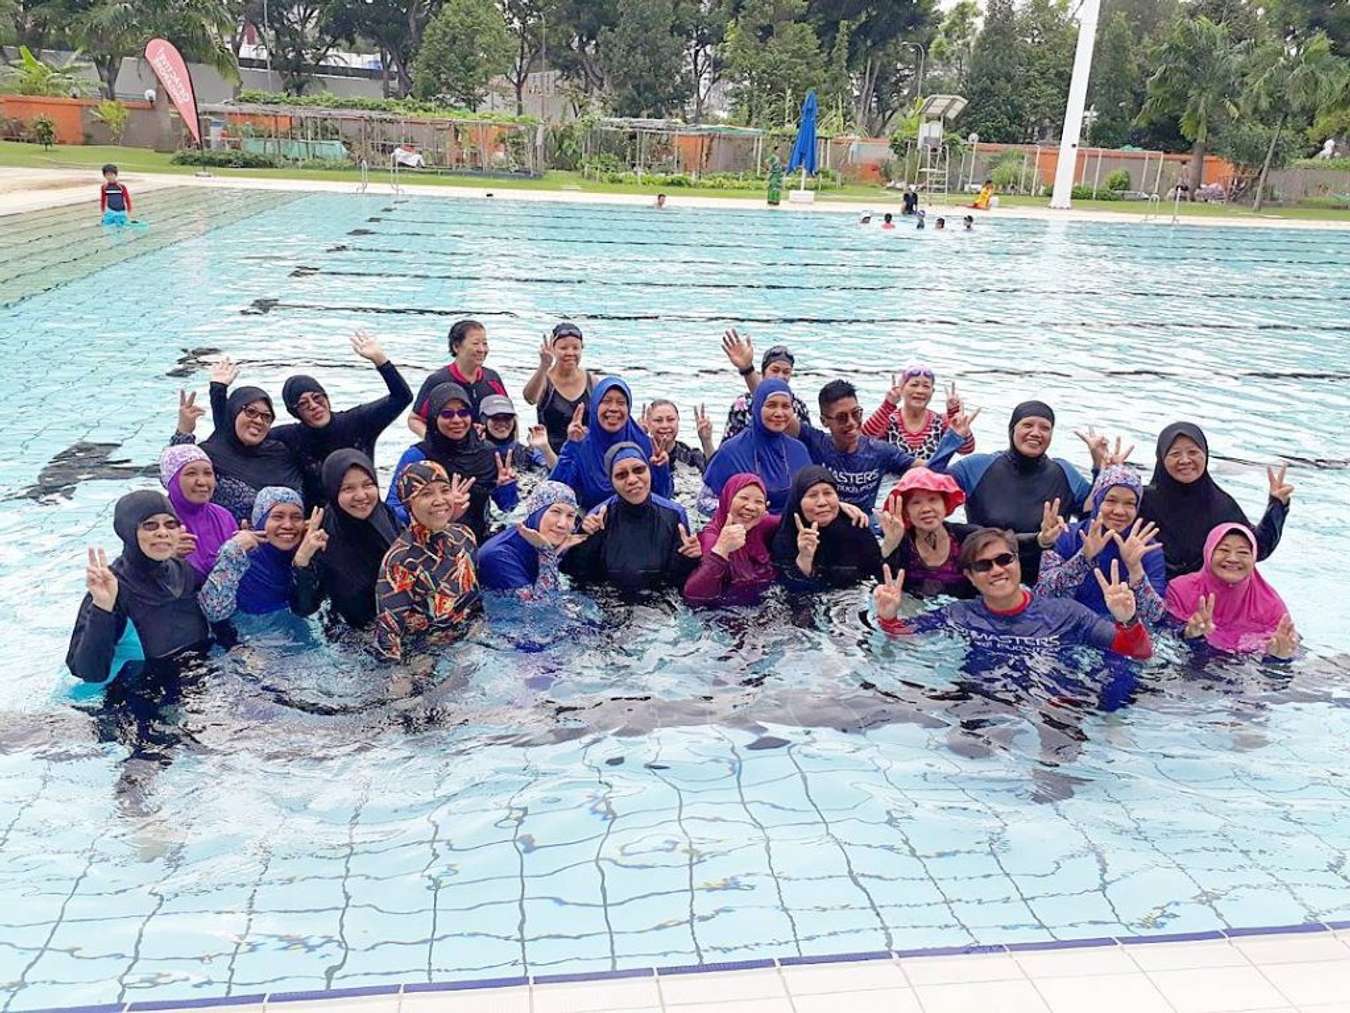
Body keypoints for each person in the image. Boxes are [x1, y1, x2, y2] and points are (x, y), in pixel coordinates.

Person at [873, 527, 1153, 660]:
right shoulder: (959, 615)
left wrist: (1127, 620)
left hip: (1052, 702)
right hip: (981, 698)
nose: (996, 570)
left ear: (1018, 562)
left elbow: (1137, 652)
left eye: (1005, 559)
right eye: (983, 565)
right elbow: (902, 634)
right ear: (969, 576)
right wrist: (888, 616)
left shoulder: (1065, 613)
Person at [66, 491, 215, 683]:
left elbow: (215, 624)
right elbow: (88, 672)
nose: (163, 532)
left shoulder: (184, 571)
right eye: (150, 525)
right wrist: (102, 608)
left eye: (171, 524)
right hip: (136, 693)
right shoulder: (112, 588)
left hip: (196, 676)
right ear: (127, 530)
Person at [947, 401, 1096, 585]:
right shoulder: (977, 467)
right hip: (988, 576)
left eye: (1045, 428)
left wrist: (1101, 470)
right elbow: (922, 491)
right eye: (1027, 425)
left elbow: (1096, 520)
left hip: (1042, 583)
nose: (1036, 432)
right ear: (1012, 429)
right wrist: (951, 442)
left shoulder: (1064, 473)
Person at [260, 332, 412, 505]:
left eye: (318, 398)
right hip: (320, 520)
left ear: (327, 398)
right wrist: (221, 390)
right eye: (303, 404)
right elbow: (243, 438)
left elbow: (402, 397)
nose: (314, 406)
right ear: (295, 412)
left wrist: (380, 360)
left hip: (365, 509)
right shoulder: (290, 437)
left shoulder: (358, 422)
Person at [791, 379, 973, 515]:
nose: (852, 423)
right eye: (841, 418)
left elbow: (929, 471)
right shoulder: (816, 442)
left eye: (856, 414)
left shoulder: (879, 451)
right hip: (827, 518)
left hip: (864, 522)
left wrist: (953, 438)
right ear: (824, 421)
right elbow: (779, 416)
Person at [1138, 422, 1291, 579]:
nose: (1185, 460)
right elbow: (1113, 520)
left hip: (1202, 597)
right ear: (1161, 459)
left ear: (1205, 455)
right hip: (1147, 594)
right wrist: (1112, 473)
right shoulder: (1142, 501)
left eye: (1193, 452)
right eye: (1175, 454)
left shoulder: (1221, 506)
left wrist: (1277, 506)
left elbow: (1257, 548)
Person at [374, 461, 481, 662]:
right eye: (426, 494)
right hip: (422, 656)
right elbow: (388, 637)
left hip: (469, 641)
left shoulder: (465, 536)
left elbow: (475, 602)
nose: (439, 500)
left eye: (444, 490)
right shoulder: (401, 562)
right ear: (408, 503)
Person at [562, 443, 702, 594]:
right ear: (611, 482)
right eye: (621, 475)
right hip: (609, 599)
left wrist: (691, 558)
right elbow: (577, 577)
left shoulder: (674, 514)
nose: (632, 480)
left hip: (660, 599)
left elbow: (678, 581)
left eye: (639, 470)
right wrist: (585, 537)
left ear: (649, 471)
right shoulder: (598, 518)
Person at [1035, 465, 1167, 625]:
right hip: (1069, 625)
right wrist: (1083, 558)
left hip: (1120, 631)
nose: (1119, 511)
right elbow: (1043, 596)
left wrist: (1135, 570)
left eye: (1129, 503)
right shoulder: (1067, 535)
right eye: (1111, 500)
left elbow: (1155, 617)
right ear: (1097, 500)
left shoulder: (1147, 549)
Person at [388, 382, 518, 542]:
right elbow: (393, 511)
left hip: (478, 540)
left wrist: (506, 487)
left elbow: (507, 507)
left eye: (463, 413)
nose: (457, 420)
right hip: (429, 542)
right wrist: (442, 507)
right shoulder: (417, 456)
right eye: (447, 414)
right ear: (434, 417)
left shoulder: (487, 452)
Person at [171, 369, 304, 522]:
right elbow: (175, 479)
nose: (259, 420)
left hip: (292, 539)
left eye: (266, 416)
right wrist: (183, 430)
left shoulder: (280, 453)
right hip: (230, 539)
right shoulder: (211, 455)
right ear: (233, 413)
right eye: (251, 412)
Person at [292, 450, 399, 629]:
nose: (361, 495)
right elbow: (304, 608)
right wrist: (303, 560)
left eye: (367, 485)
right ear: (333, 491)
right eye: (348, 488)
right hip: (350, 638)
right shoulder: (321, 535)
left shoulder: (387, 516)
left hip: (398, 626)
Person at [1164, 523, 1298, 659]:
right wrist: (1190, 635)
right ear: (1208, 552)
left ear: (1254, 558)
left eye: (1243, 552)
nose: (1233, 559)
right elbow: (1165, 634)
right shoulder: (1181, 590)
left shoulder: (1271, 605)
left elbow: (1287, 645)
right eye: (1223, 550)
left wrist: (1277, 657)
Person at [549, 376, 672, 510]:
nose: (613, 408)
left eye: (620, 402)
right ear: (595, 406)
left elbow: (664, 498)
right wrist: (571, 447)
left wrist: (661, 469)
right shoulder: (581, 446)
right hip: (594, 523)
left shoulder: (645, 444)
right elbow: (554, 497)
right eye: (606, 401)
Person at [698, 379, 812, 516]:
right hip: (745, 531)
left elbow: (811, 497)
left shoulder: (799, 451)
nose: (779, 413)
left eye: (785, 406)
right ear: (757, 407)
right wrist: (743, 512)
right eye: (771, 405)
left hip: (789, 532)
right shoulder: (732, 451)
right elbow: (704, 501)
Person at [199, 487, 307, 622]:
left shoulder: (306, 555)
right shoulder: (240, 559)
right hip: (251, 637)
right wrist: (233, 553)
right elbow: (213, 613)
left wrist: (304, 561)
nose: (288, 525)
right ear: (260, 521)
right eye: (277, 517)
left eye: (296, 517)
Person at [771, 467, 884, 592]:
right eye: (812, 495)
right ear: (798, 502)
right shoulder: (786, 538)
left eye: (828, 493)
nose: (822, 502)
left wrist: (891, 542)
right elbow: (790, 591)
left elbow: (881, 571)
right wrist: (804, 559)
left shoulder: (854, 524)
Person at [878, 468, 979, 599]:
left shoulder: (969, 537)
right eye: (916, 502)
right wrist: (889, 544)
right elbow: (880, 586)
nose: (926, 509)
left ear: (945, 504)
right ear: (905, 511)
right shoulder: (900, 543)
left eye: (933, 500)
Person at [684, 474, 781, 605]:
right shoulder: (711, 539)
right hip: (724, 612)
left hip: (767, 602)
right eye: (743, 498)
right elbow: (693, 596)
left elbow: (793, 520)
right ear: (727, 500)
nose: (751, 507)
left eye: (759, 501)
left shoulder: (761, 524)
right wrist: (722, 550)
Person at [477, 481, 583, 597]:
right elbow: (541, 609)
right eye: (555, 512)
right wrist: (547, 554)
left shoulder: (550, 541)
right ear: (536, 512)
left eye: (570, 516)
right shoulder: (499, 555)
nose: (562, 524)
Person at [409, 319, 508, 431]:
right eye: (476, 343)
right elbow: (415, 419)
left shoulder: (492, 379)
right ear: (456, 347)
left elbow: (510, 418)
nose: (482, 349)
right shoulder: (438, 381)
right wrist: (434, 444)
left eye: (484, 343)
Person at [862, 365, 977, 460]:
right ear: (901, 389)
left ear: (932, 392)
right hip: (893, 483)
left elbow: (966, 450)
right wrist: (887, 405)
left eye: (926, 386)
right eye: (914, 385)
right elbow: (862, 441)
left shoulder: (941, 421)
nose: (920, 391)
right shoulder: (888, 419)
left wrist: (955, 416)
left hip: (930, 482)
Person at [158, 444, 238, 576]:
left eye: (208, 473)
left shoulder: (224, 517)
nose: (202, 482)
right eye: (191, 473)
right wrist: (165, 557)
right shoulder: (157, 524)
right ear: (172, 481)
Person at [719, 330, 812, 441]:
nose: (780, 376)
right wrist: (747, 368)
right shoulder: (742, 404)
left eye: (786, 372)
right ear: (763, 373)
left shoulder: (798, 406)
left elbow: (807, 444)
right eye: (775, 370)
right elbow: (727, 446)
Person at [523, 321, 599, 454]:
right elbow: (530, 399)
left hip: (583, 452)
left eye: (575, 348)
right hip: (548, 453)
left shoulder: (591, 381)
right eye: (563, 348)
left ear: (582, 349)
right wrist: (544, 366)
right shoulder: (544, 380)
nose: (570, 353)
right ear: (553, 349)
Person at [479, 394, 554, 474]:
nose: (502, 423)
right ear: (484, 421)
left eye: (507, 418)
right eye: (495, 418)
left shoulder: (526, 452)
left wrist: (545, 448)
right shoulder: (474, 453)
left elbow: (560, 474)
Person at [643, 400, 714, 476]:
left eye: (670, 420)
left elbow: (715, 476)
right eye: (658, 420)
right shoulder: (640, 454)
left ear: (678, 421)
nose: (665, 425)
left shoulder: (691, 456)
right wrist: (639, 434)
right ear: (648, 423)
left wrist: (706, 441)